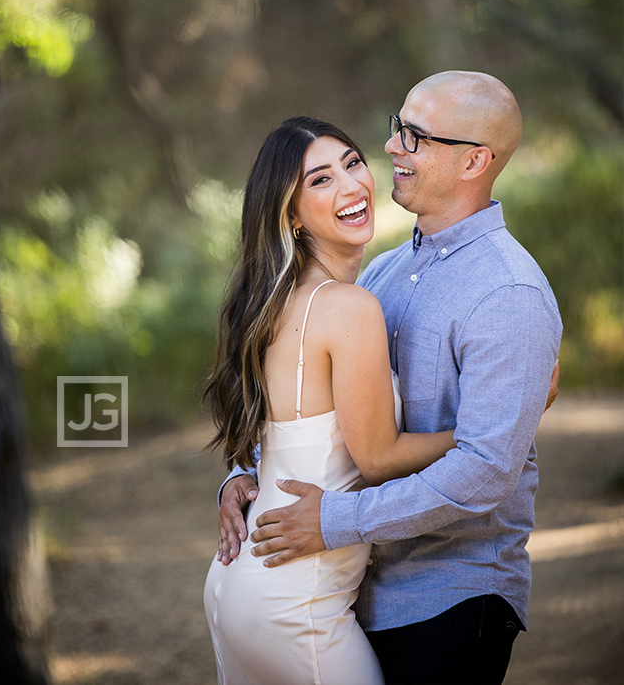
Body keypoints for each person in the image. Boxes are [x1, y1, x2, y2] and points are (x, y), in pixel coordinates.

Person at [221, 71, 563, 685]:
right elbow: (314, 408)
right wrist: (244, 474)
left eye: (415, 136)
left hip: (451, 593)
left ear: (474, 162)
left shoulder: (508, 293)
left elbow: (486, 470)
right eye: (396, 127)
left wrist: (332, 522)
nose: (392, 148)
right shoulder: (379, 273)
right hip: (355, 591)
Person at [203, 116, 460, 685]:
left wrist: (234, 479)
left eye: (351, 164)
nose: (350, 186)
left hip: (240, 581)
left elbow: (286, 435)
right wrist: (480, 431)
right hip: (296, 597)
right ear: (290, 213)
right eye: (320, 180)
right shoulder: (347, 307)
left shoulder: (278, 299)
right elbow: (379, 458)